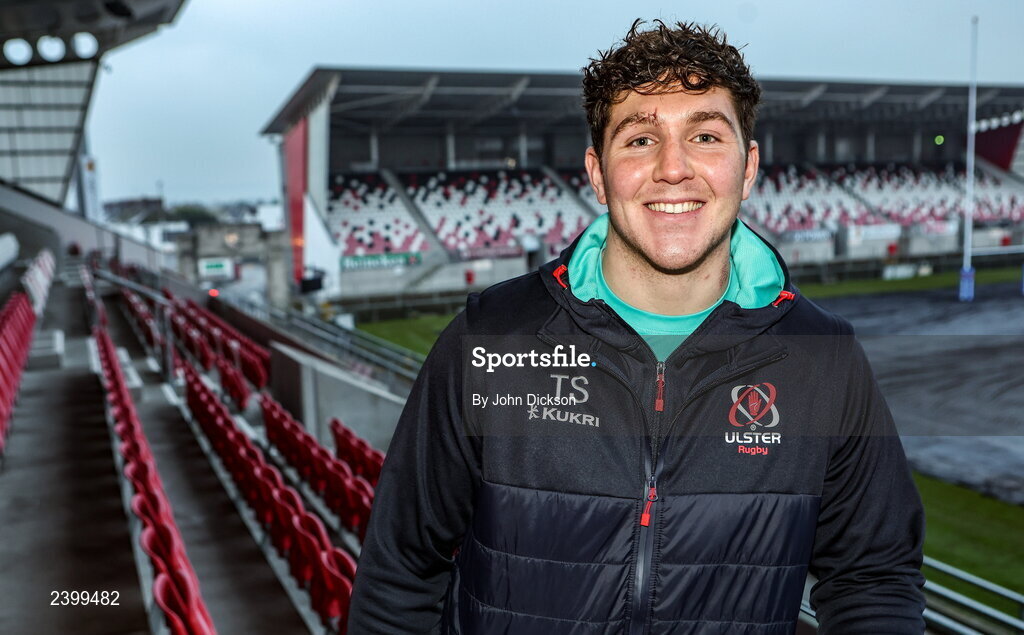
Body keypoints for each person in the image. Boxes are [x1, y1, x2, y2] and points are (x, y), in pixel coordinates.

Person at [349, 20, 926, 634]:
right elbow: (399, 574)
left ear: (748, 167)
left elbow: (874, 579)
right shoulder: (490, 338)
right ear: (598, 174)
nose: (673, 168)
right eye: (641, 139)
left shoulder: (825, 359)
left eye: (705, 135)